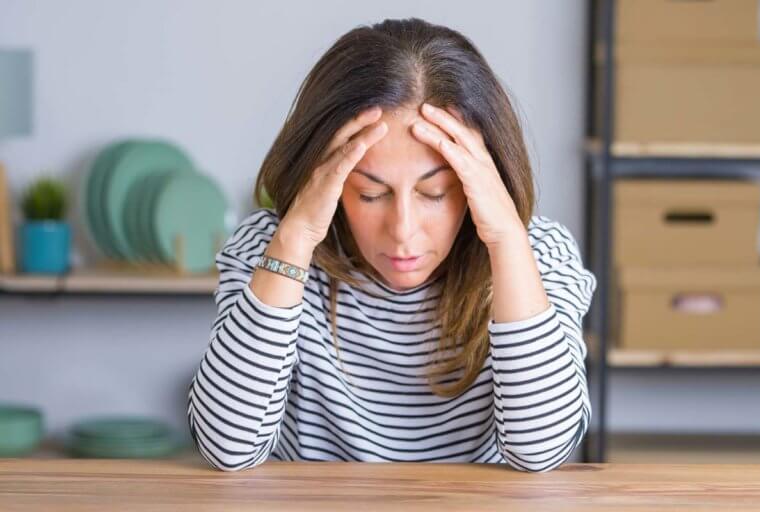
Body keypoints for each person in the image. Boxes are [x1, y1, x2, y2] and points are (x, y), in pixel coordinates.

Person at [187, 17, 597, 473]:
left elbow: (541, 452)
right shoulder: (272, 250)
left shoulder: (536, 255)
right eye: (371, 193)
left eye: (435, 193)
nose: (403, 230)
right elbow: (227, 449)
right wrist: (296, 238)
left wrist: (505, 241)